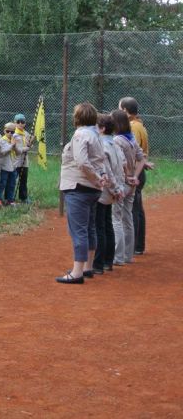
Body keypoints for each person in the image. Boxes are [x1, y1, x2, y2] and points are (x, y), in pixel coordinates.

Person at [56, 102, 106, 284]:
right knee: (90, 228)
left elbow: (82, 162)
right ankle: (87, 267)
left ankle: (76, 273)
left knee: (78, 231)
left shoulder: (80, 134)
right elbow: (100, 161)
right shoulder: (96, 135)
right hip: (92, 190)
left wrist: (94, 178)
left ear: (77, 118)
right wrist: (101, 177)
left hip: (79, 187)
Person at [111, 109, 144, 265]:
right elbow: (141, 159)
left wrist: (127, 177)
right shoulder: (131, 139)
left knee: (116, 219)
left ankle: (118, 257)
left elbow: (122, 162)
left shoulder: (117, 140)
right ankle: (128, 256)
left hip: (122, 183)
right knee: (128, 218)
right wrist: (135, 177)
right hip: (132, 184)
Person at [119, 97, 152, 255]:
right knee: (137, 209)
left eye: (120, 108)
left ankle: (134, 246)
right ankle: (138, 245)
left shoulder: (133, 127)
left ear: (125, 110)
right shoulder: (140, 125)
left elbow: (132, 152)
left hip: (134, 173)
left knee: (133, 210)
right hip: (139, 170)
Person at [93, 113, 124, 274]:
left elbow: (107, 170)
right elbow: (121, 166)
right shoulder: (115, 144)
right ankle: (108, 261)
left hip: (104, 190)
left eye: (96, 126)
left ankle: (99, 263)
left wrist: (114, 189)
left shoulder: (102, 146)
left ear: (102, 128)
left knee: (100, 226)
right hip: (112, 189)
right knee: (107, 224)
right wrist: (118, 188)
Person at [0, 122, 18, 207]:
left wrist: (26, 146)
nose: (10, 133)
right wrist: (12, 145)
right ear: (4, 131)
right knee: (2, 184)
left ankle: (10, 199)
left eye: (12, 132)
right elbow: (3, 152)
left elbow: (18, 152)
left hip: (13, 166)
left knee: (12, 184)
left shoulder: (14, 140)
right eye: (8, 131)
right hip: (4, 166)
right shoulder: (2, 140)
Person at [13, 113, 33, 203]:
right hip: (15, 161)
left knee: (23, 180)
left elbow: (29, 144)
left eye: (23, 122)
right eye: (18, 122)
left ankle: (23, 197)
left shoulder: (26, 134)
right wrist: (26, 148)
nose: (21, 124)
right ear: (15, 123)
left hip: (24, 162)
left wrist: (30, 144)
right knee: (13, 180)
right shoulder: (13, 134)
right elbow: (17, 149)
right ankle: (10, 198)